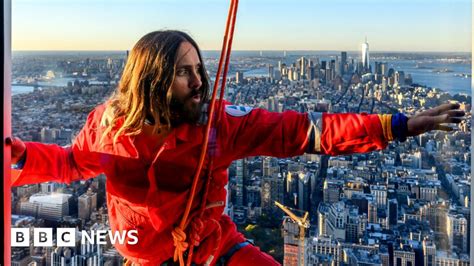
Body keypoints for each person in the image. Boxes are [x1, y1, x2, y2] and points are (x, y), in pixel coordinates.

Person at [9, 30, 465, 266]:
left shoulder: (217, 123)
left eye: (199, 68)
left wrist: (400, 124)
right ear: (152, 80)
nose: (200, 81)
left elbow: (304, 133)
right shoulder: (110, 125)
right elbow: (69, 162)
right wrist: (15, 158)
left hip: (214, 248)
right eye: (185, 72)